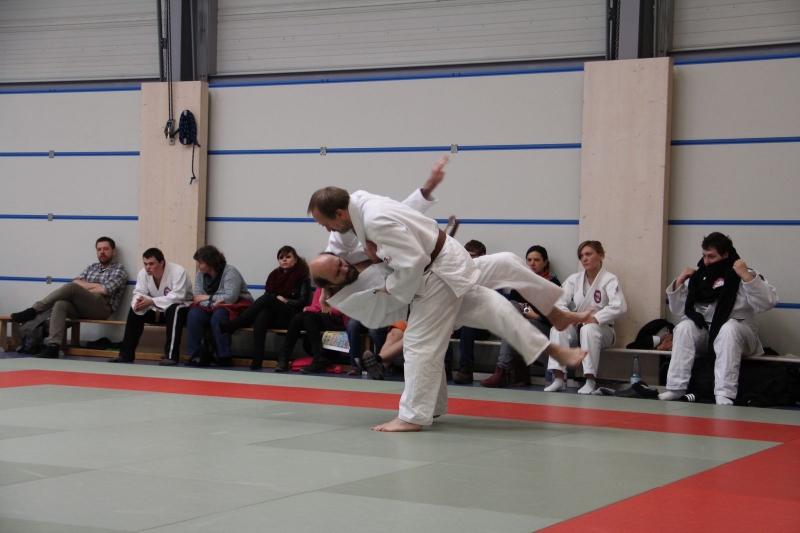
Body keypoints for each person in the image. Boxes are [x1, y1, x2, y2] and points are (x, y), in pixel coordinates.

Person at [307, 158, 589, 432]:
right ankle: (553, 329)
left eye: (325, 223)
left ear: (340, 213)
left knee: (418, 345)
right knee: (500, 283)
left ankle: (412, 416)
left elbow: (412, 263)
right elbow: (397, 217)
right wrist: (425, 191)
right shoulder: (361, 202)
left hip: (437, 276)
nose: (327, 230)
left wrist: (385, 275)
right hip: (451, 260)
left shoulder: (372, 221)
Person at [658, 232, 778, 405]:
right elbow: (679, 310)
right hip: (708, 333)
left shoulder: (745, 274)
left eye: (711, 256)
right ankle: (676, 388)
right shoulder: (700, 277)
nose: (706, 261)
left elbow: (767, 303)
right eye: (704, 256)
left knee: (728, 329)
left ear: (726, 254)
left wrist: (746, 276)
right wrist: (680, 281)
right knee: (684, 327)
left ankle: (724, 392)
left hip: (741, 334)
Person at [10, 237, 128, 359]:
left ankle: (34, 310)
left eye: (106, 249)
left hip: (102, 308)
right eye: (99, 249)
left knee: (71, 288)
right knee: (60, 303)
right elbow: (76, 281)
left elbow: (104, 290)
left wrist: (85, 287)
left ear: (114, 251)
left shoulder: (119, 269)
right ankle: (53, 346)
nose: (102, 252)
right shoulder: (92, 267)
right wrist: (96, 285)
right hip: (82, 307)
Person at [545, 241, 627, 394]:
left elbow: (619, 306)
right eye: (581, 256)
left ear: (601, 255)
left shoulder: (609, 279)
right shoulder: (574, 279)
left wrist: (593, 319)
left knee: (588, 329)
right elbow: (558, 302)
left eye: (588, 254)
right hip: (577, 328)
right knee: (558, 329)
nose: (584, 259)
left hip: (603, 329)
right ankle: (558, 379)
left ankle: (590, 380)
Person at [481, 245, 562, 388]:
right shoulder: (520, 283)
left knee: (513, 324)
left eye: (536, 260)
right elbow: (513, 307)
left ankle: (501, 371)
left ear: (545, 262)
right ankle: (502, 369)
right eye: (529, 260)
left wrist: (537, 316)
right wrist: (525, 310)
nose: (532, 263)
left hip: (545, 328)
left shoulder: (553, 284)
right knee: (511, 310)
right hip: (523, 326)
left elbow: (556, 316)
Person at [218, 246, 311, 371]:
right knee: (263, 313)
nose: (284, 260)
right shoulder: (274, 276)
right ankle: (258, 358)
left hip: (291, 316)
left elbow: (302, 301)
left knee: (267, 299)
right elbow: (268, 297)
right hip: (275, 316)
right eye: (281, 258)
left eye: (288, 257)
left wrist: (286, 301)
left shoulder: (302, 277)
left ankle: (233, 325)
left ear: (295, 259)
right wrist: (276, 298)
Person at [109, 248, 192, 365]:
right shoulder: (143, 273)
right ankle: (125, 354)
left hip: (182, 310)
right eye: (145, 264)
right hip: (156, 309)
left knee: (175, 309)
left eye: (151, 264)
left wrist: (151, 301)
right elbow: (138, 292)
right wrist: (138, 303)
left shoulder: (178, 271)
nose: (147, 267)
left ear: (162, 262)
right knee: (135, 309)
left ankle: (171, 356)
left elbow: (178, 297)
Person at [185, 246, 253, 366]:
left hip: (236, 308)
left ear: (211, 263)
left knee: (219, 315)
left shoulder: (230, 272)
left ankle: (224, 356)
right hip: (213, 307)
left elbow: (231, 298)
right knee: (194, 314)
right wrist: (211, 304)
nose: (198, 265)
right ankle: (196, 355)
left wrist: (208, 297)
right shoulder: (200, 274)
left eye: (200, 262)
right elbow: (197, 298)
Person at [276, 286, 348, 374]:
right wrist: (321, 307)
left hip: (337, 321)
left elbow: (341, 309)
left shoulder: (344, 286)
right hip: (321, 317)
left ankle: (318, 359)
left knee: (308, 316)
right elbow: (314, 306)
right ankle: (283, 358)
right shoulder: (321, 286)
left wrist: (320, 308)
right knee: (299, 316)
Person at [450, 240, 491, 385]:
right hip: (460, 321)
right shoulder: (459, 275)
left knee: (468, 324)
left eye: (472, 256)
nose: (469, 259)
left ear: (483, 256)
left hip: (482, 324)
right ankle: (444, 366)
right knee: (442, 323)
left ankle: (466, 368)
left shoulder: (490, 277)